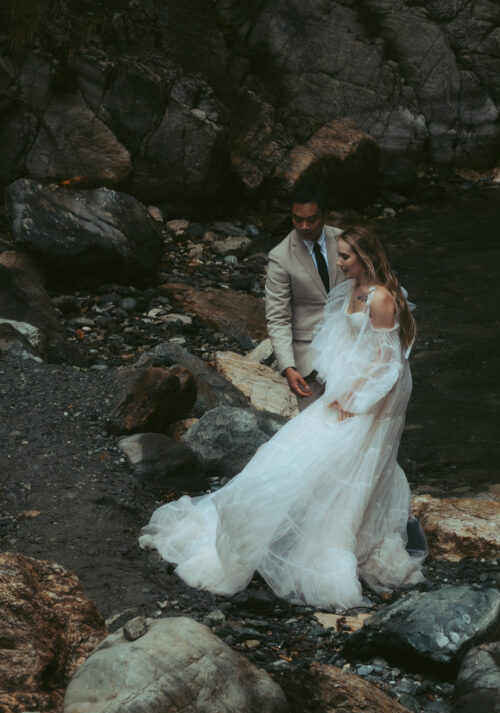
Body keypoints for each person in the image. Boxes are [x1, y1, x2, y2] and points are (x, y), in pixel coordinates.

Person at [140, 225, 425, 611]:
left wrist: (356, 397)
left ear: (366, 256)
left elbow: (386, 358)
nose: (338, 262)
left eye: (345, 256)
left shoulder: (381, 298)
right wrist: (337, 386)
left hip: (377, 390)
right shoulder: (352, 290)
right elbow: (346, 343)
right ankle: (265, 522)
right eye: (338, 255)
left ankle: (338, 538)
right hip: (352, 384)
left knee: (356, 458)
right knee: (302, 448)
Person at [265, 182, 343, 409]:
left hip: (349, 355)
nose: (305, 226)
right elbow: (277, 318)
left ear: (325, 215)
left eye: (312, 219)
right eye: (297, 219)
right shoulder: (279, 257)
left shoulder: (345, 241)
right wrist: (288, 367)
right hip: (308, 365)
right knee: (314, 436)